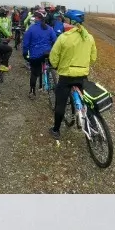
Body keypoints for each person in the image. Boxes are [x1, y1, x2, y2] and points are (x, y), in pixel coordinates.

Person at [47, 10, 98, 140]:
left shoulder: (64, 37)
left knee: (60, 103)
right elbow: (93, 58)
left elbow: (53, 57)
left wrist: (57, 65)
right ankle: (94, 125)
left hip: (66, 76)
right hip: (82, 75)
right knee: (86, 102)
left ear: (70, 22)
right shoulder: (89, 37)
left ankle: (56, 130)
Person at [21, 10, 58, 98]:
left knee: (34, 72)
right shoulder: (49, 28)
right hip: (48, 53)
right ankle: (49, 83)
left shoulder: (31, 28)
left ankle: (32, 91)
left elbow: (26, 44)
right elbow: (55, 41)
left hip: (35, 55)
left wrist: (25, 54)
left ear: (37, 18)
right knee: (47, 65)